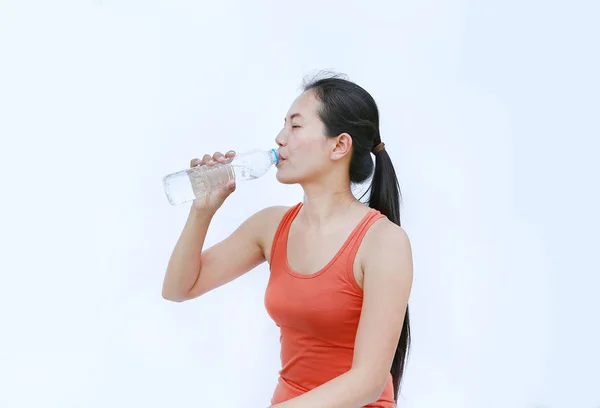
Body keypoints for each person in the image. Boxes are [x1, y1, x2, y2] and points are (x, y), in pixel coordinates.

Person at [162, 74, 414, 408]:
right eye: (283, 126)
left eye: (295, 127)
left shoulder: (384, 243)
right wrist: (201, 212)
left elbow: (366, 382)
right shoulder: (271, 226)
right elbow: (178, 289)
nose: (280, 139)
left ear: (339, 145)